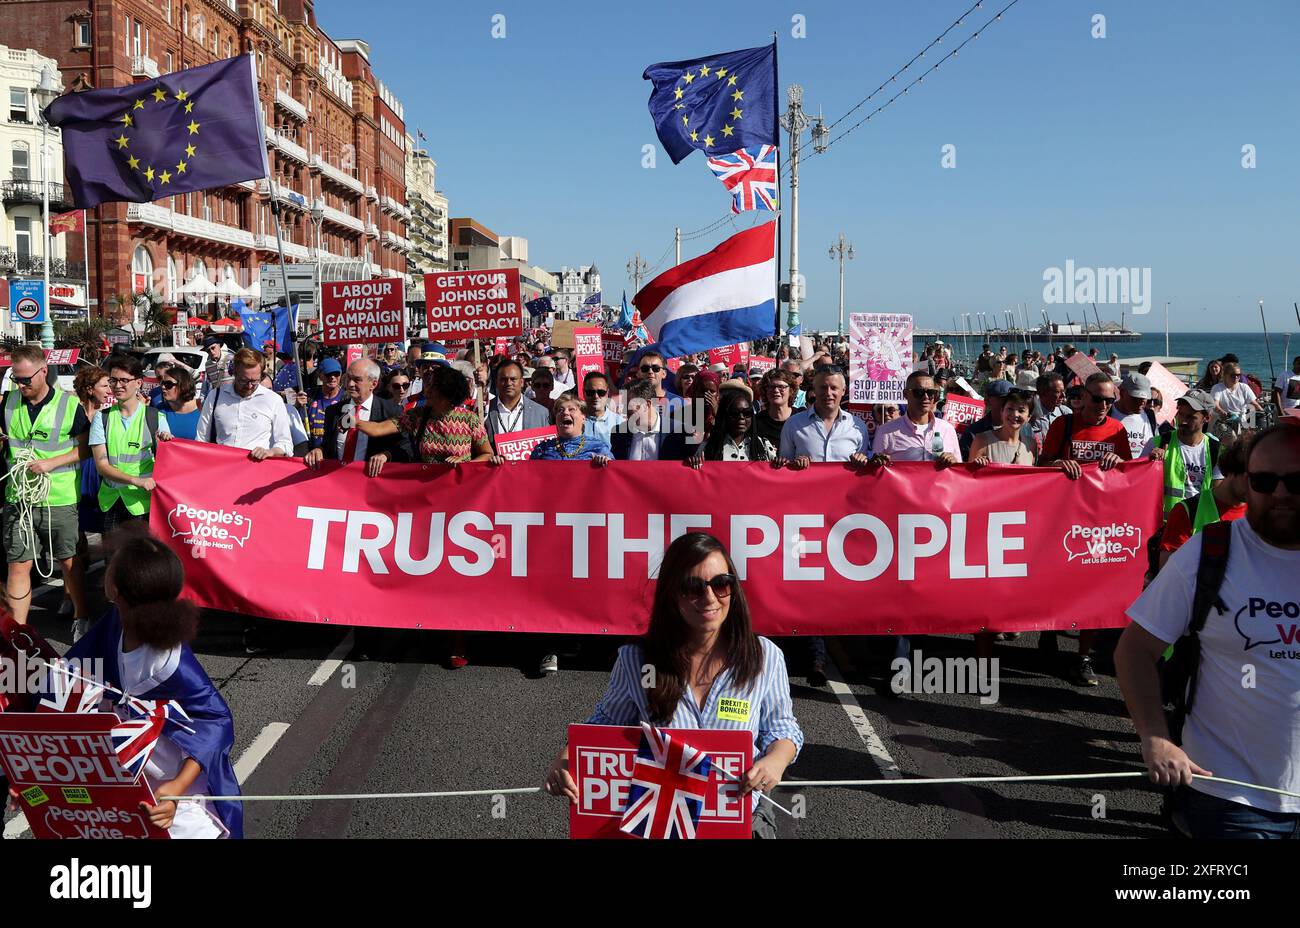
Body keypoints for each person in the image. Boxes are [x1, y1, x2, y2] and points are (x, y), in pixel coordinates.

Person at [542, 532, 803, 838]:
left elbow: (783, 729)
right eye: (693, 587)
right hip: (663, 820)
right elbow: (604, 725)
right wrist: (564, 761)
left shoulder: (765, 657)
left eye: (721, 583)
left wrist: (776, 760)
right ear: (672, 595)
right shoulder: (637, 661)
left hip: (741, 816)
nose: (709, 598)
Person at [1116, 424, 1300, 838]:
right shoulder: (1211, 549)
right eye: (1265, 481)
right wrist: (1155, 737)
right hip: (1230, 799)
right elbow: (1134, 650)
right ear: (1246, 482)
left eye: (1297, 481)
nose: (1281, 494)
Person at [61, 528, 243, 838]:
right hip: (130, 789)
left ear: (114, 589)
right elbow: (68, 676)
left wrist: (177, 788)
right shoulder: (114, 624)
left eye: (111, 565)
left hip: (179, 806)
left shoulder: (168, 662)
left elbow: (216, 722)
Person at [1038, 372, 1133, 686]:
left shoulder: (1117, 430)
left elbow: (1129, 475)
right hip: (1062, 518)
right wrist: (1057, 466)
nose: (1104, 405)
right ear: (1083, 397)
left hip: (1098, 523)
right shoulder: (1062, 425)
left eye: (1110, 400)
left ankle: (1083, 657)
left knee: (1093, 590)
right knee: (1056, 584)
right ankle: (1048, 630)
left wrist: (1119, 461)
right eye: (1098, 398)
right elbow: (1040, 466)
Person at [1, 345, 91, 632]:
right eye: (16, 378)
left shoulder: (68, 405)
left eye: (26, 379)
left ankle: (81, 616)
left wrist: (52, 462)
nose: (21, 384)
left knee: (68, 562)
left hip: (59, 497)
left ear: (43, 372)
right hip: (19, 498)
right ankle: (18, 631)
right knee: (18, 564)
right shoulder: (9, 402)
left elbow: (86, 449)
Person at [91, 355, 171, 541]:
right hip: (111, 502)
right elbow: (102, 467)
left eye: (124, 380)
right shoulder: (101, 418)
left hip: (142, 505)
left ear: (138, 383)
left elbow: (167, 461)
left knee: (142, 564)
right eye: (113, 380)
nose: (118, 386)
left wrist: (165, 443)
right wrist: (135, 480)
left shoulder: (155, 417)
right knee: (114, 563)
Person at [1157, 431, 1249, 570]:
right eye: (1251, 478)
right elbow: (1168, 572)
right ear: (1231, 470)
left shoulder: (1260, 514)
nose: (1258, 488)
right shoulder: (1187, 511)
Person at [303, 359, 404, 475]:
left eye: (357, 380)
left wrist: (386, 455)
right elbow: (328, 446)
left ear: (373, 384)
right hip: (337, 480)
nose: (350, 384)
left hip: (370, 483)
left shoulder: (391, 411)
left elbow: (404, 448)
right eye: (349, 378)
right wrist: (319, 450)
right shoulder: (333, 411)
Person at [194, 348, 294, 462]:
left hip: (256, 472)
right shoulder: (215, 396)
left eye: (255, 381)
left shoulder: (273, 400)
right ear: (234, 373)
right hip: (222, 469)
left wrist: (269, 452)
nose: (250, 386)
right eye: (243, 380)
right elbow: (201, 439)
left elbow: (286, 444)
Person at [1146, 389, 1221, 519]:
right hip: (1165, 528)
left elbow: (1219, 495)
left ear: (1207, 418)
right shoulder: (1156, 443)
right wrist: (1150, 463)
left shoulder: (1215, 449)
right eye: (1181, 414)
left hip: (1199, 528)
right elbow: (1136, 482)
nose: (1183, 421)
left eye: (1191, 417)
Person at [778, 366, 872, 470]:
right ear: (814, 390)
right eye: (823, 387)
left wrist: (861, 460)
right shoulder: (793, 424)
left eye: (834, 388)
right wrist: (794, 464)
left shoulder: (858, 427)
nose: (828, 393)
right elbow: (784, 467)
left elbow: (863, 469)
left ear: (843, 390)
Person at [870, 371, 962, 467]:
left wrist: (953, 461)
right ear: (905, 394)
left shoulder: (947, 429)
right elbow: (875, 470)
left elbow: (958, 470)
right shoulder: (886, 431)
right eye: (919, 392)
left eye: (931, 393)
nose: (926, 397)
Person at [687, 389, 776, 467]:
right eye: (735, 413)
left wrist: (782, 463)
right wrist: (694, 463)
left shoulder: (763, 446)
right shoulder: (708, 447)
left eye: (747, 413)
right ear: (724, 415)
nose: (741, 417)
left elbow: (777, 475)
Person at [610, 380, 689, 461]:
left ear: (647, 405)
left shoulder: (679, 432)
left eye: (629, 406)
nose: (624, 411)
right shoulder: (619, 433)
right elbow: (615, 467)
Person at [484, 360, 549, 452]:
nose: (508, 383)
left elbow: (547, 449)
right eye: (503, 379)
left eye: (513, 379)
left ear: (522, 382)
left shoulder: (540, 412)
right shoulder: (485, 410)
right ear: (496, 382)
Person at [968, 389, 1036, 466]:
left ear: (1029, 417)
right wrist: (977, 465)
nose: (1015, 414)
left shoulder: (1031, 445)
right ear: (1002, 411)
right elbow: (970, 476)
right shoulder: (981, 441)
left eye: (1021, 411)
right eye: (1010, 409)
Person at [1210, 362, 1262, 441]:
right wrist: (1221, 412)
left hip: (1241, 422)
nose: (1236, 377)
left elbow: (1254, 404)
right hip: (1221, 421)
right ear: (1225, 374)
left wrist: (1262, 413)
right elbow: (1215, 404)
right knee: (1232, 438)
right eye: (1233, 375)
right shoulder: (1217, 388)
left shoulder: (1244, 387)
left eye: (1238, 375)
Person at [303, 357, 346, 450]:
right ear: (320, 375)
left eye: (336, 374)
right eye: (328, 374)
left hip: (334, 456)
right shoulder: (309, 395)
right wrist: (297, 406)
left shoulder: (346, 398)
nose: (332, 377)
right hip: (311, 454)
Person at [158, 365, 202, 441]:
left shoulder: (203, 408)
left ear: (183, 385)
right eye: (162, 383)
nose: (163, 387)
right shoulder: (159, 410)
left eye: (168, 384)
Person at [753, 370, 796, 448]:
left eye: (781, 387)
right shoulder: (756, 422)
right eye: (771, 387)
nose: (776, 390)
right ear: (765, 391)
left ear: (791, 390)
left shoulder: (802, 418)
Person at [580, 371, 624, 444]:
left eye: (601, 392)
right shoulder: (575, 421)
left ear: (607, 393)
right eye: (590, 392)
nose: (596, 396)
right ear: (584, 392)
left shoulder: (619, 422)